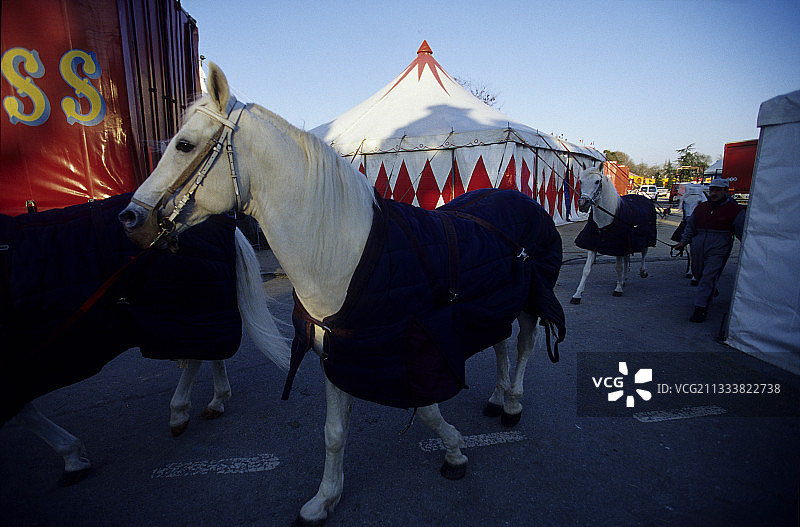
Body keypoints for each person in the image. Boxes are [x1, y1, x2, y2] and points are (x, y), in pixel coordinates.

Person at [672, 178, 745, 322]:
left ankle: (700, 309)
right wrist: (683, 241)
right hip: (698, 244)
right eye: (712, 190)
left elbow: (741, 231)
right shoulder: (701, 207)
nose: (714, 193)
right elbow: (690, 226)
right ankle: (710, 290)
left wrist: (748, 248)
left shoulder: (735, 210)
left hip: (719, 245)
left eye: (718, 190)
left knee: (708, 277)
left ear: (725, 191)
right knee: (698, 274)